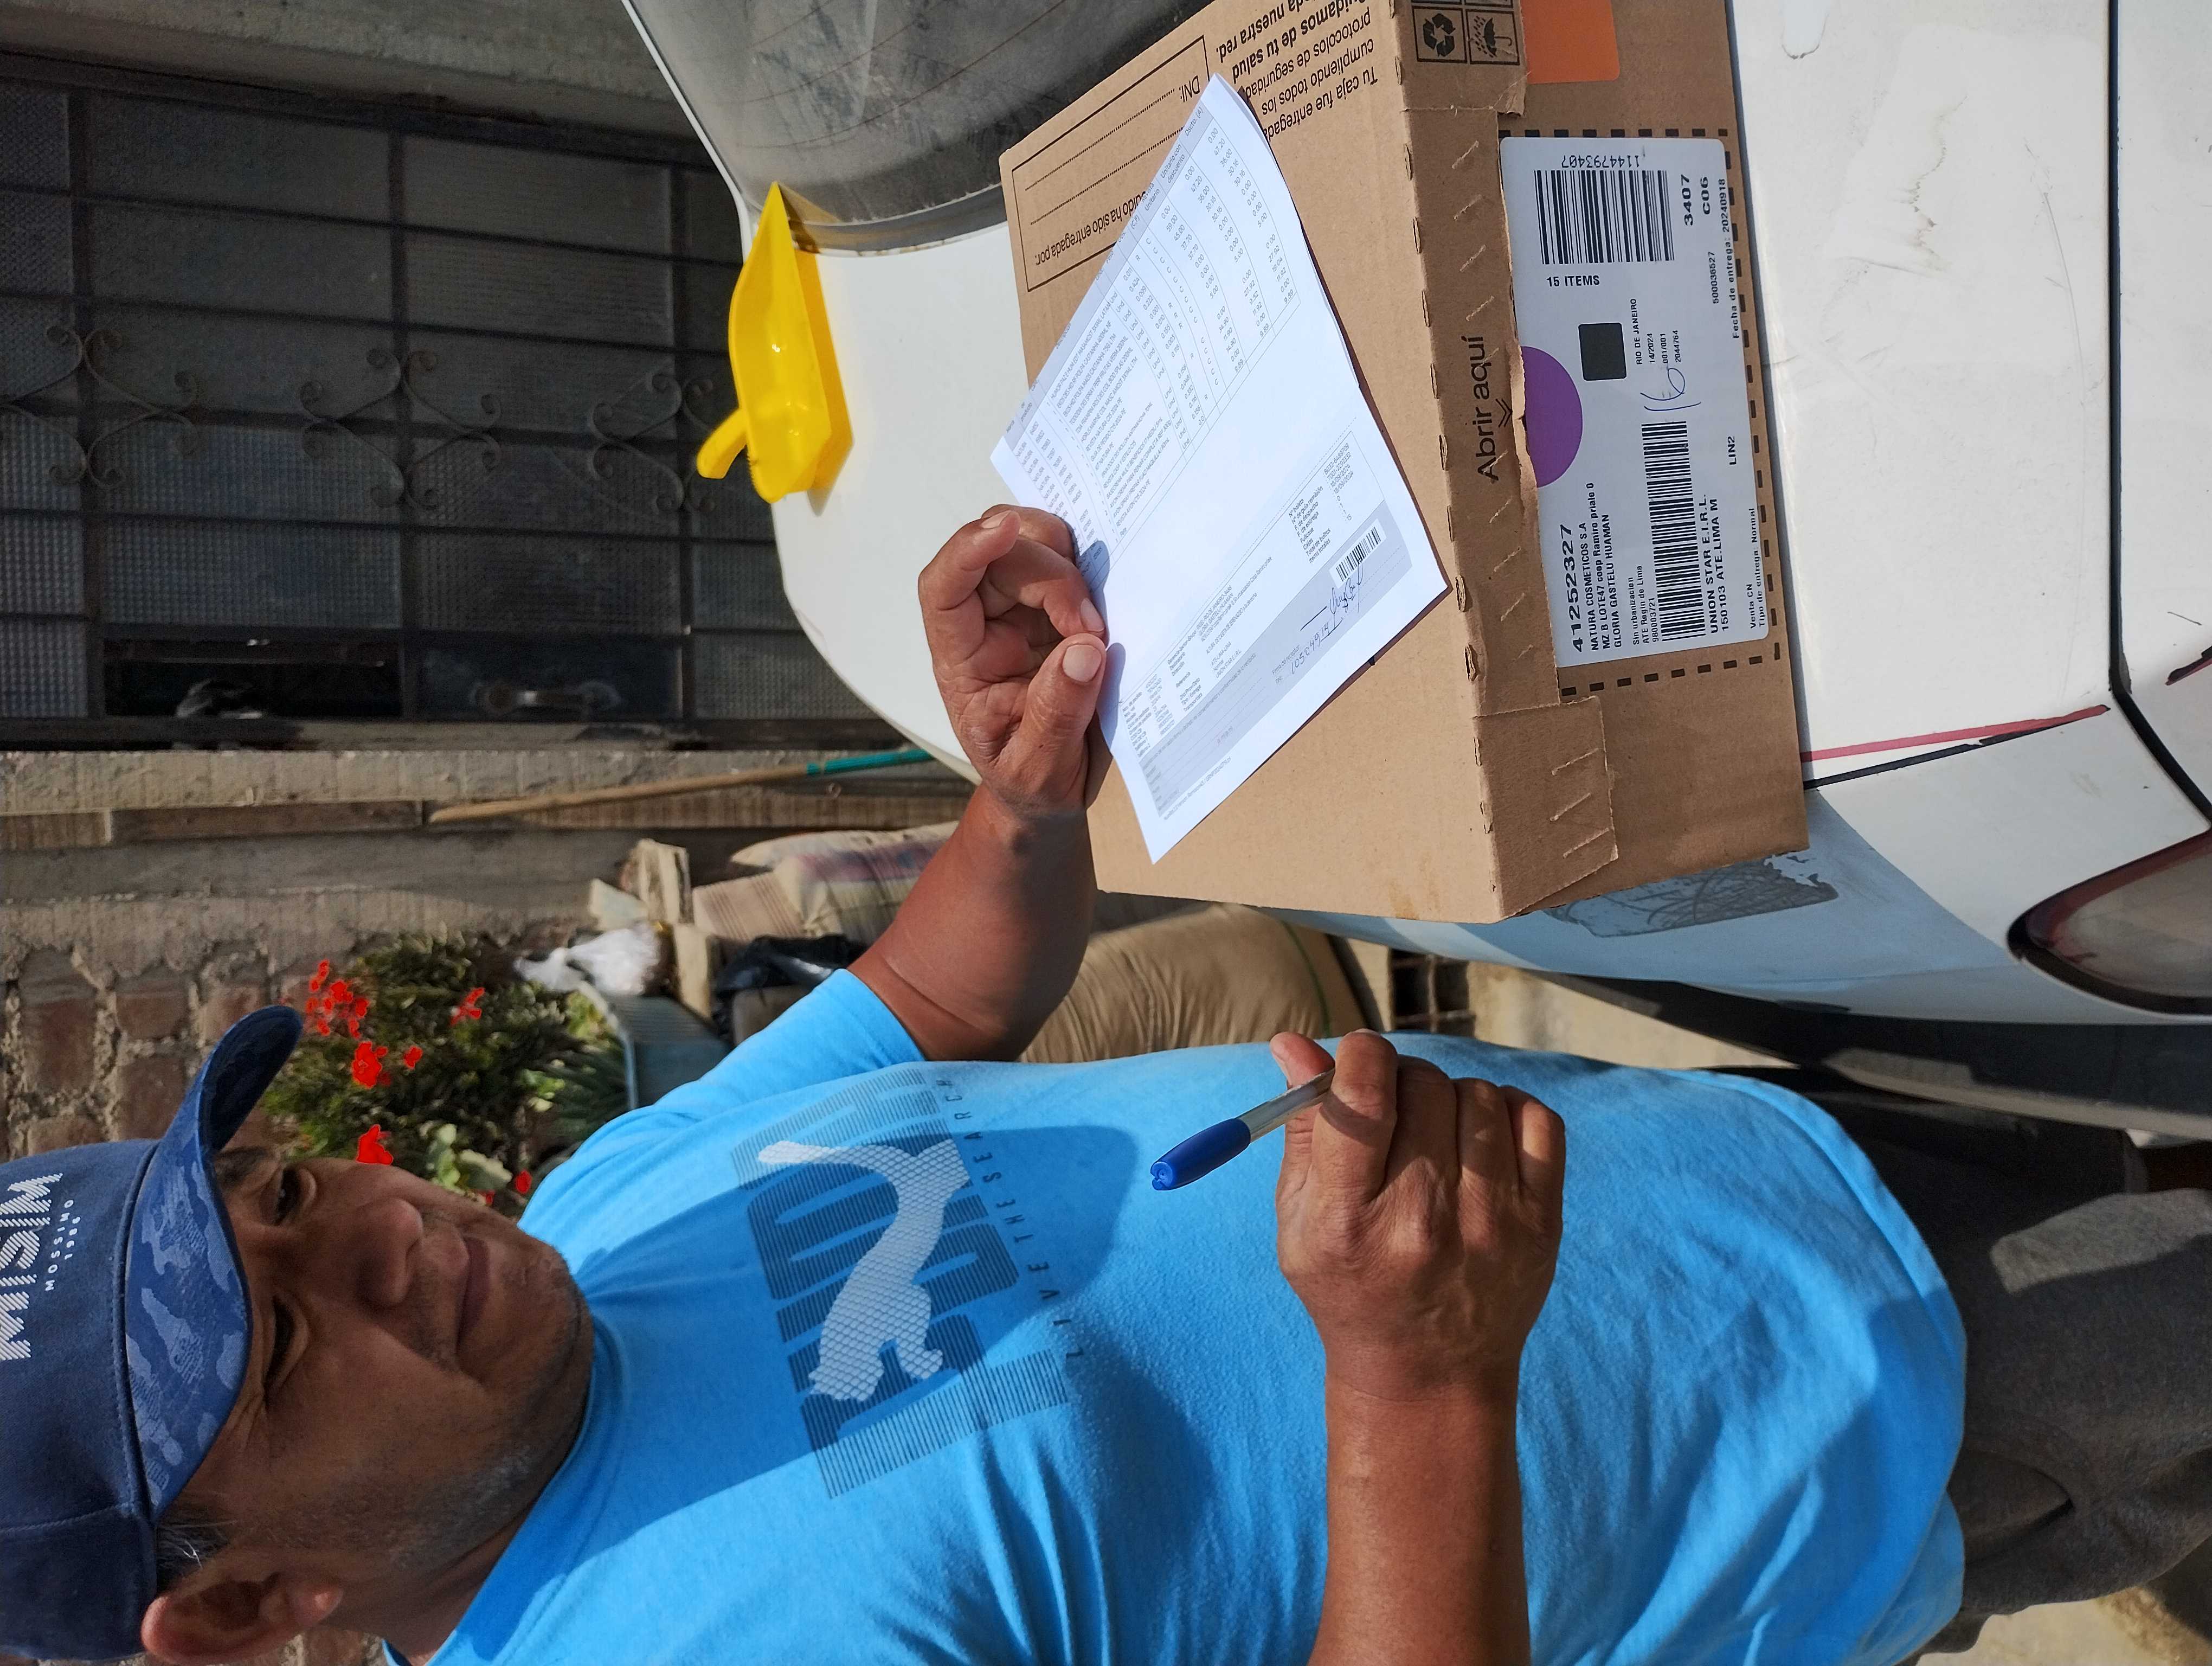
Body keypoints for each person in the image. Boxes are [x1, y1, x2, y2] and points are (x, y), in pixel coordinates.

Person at [3, 508, 2208, 1666]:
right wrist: (1414, 1378)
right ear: (239, 1610)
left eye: (284, 1198)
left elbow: (928, 1005)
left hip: (1742, 1165)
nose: (383, 1243)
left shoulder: (599, 1222)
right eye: (283, 1348)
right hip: (1848, 1428)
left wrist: (1017, 797)